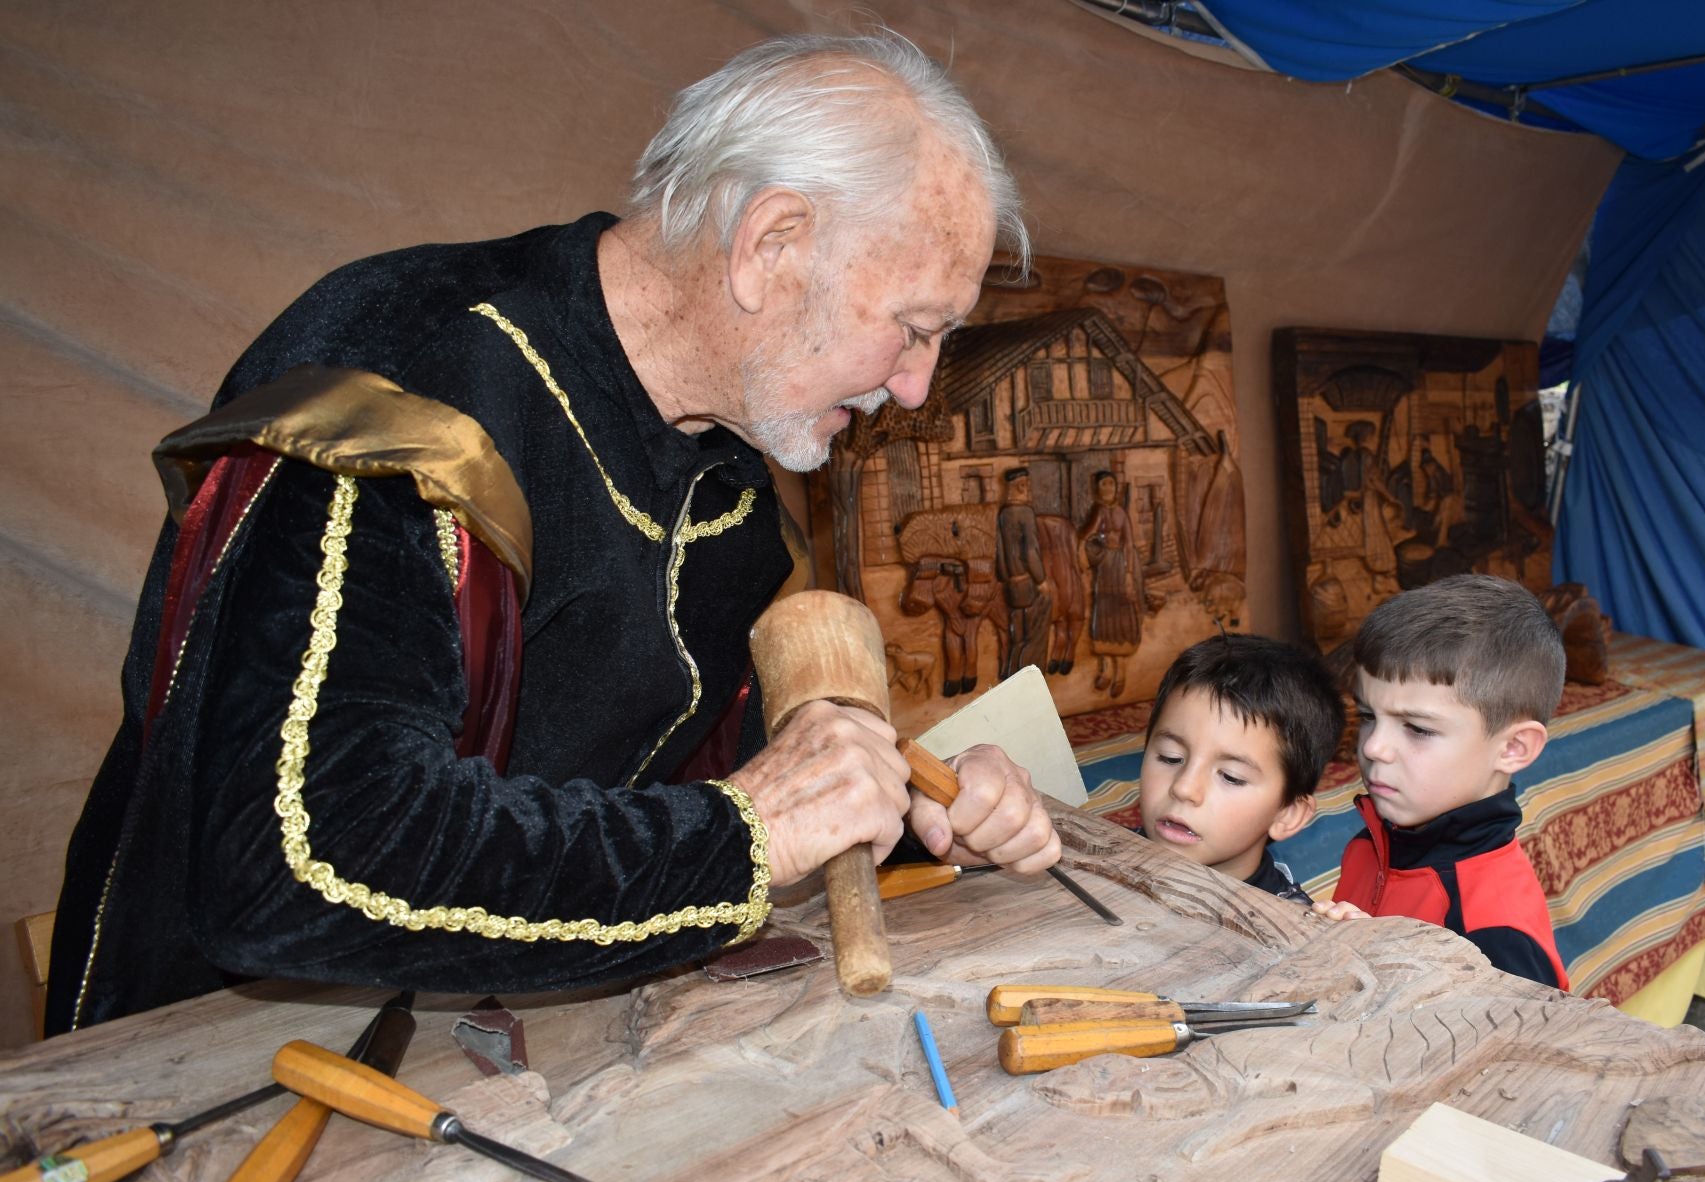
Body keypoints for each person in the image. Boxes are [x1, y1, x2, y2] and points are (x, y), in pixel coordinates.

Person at [45, 33, 1061, 1034]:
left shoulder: (738, 488)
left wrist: (913, 815)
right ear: (772, 245)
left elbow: (727, 780)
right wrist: (748, 835)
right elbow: (297, 852)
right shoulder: (409, 379)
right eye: (913, 326)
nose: (916, 385)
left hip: (501, 1042)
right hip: (211, 1059)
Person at [1312, 574, 1569, 989]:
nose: (1374, 747)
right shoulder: (1372, 843)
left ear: (1514, 748)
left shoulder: (1496, 936)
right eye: (1368, 717)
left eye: (1417, 728)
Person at [1136, 635, 1344, 898]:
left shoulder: (1290, 929)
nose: (1184, 787)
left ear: (1286, 814)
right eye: (1170, 757)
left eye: (1231, 777)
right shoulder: (1100, 850)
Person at [1078, 470, 1144, 698]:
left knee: (1122, 615)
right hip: (1105, 567)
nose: (1108, 488)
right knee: (1104, 613)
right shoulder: (1099, 511)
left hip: (1121, 564)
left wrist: (1128, 573)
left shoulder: (1121, 513)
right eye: (1104, 484)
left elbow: (1129, 543)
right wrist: (1082, 553)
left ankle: (1121, 672)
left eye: (1111, 484)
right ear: (1098, 488)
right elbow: (1087, 533)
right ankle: (1105, 669)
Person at [994, 467, 1051, 677]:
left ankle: (1013, 672)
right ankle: (1031, 676)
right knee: (1034, 632)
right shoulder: (1025, 513)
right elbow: (1030, 551)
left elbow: (999, 550)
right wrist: (1041, 579)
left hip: (1011, 584)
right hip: (1028, 583)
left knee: (1017, 634)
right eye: (1026, 486)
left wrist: (1005, 575)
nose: (1029, 490)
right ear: (1020, 487)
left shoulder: (1004, 513)